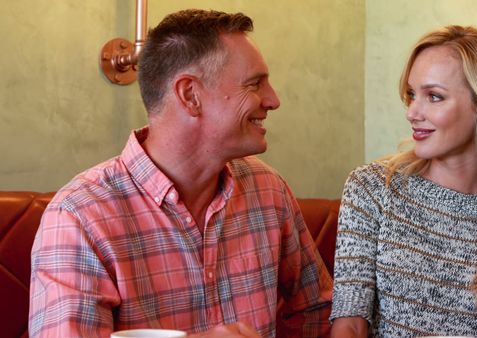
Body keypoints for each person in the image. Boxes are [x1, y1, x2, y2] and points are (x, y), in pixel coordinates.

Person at [29, 9, 332, 338]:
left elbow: (316, 312)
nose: (273, 100)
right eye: (255, 84)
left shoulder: (268, 189)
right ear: (190, 95)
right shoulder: (78, 215)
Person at [329, 25, 477, 337]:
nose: (412, 112)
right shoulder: (372, 188)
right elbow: (350, 323)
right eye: (412, 94)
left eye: (434, 96)